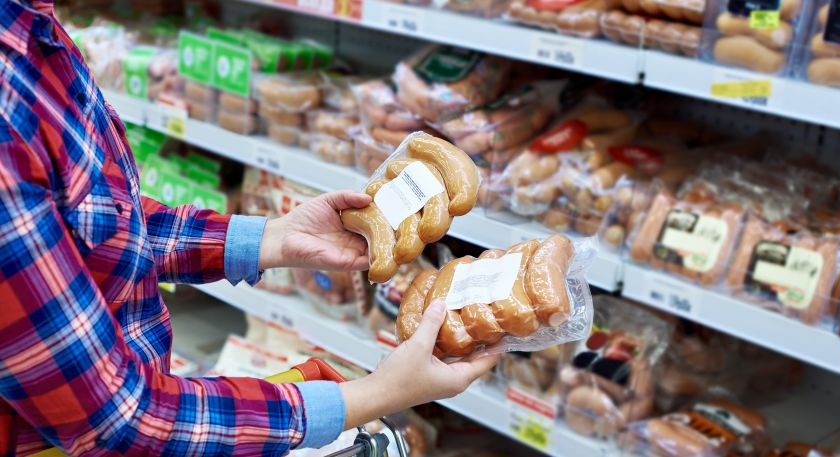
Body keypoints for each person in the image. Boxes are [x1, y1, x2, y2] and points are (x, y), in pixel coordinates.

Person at [0, 1, 499, 455]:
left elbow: (93, 223)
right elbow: (119, 423)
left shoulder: (32, 27)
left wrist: (271, 238)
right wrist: (375, 395)